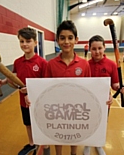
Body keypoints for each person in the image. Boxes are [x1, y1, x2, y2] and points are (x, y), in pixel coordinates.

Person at [0, 27, 50, 155]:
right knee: (28, 124)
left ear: (35, 42)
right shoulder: (18, 62)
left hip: (39, 102)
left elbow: (46, 84)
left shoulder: (42, 63)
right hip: (23, 102)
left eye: (28, 41)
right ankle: (31, 144)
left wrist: (31, 89)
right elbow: (13, 76)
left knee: (41, 124)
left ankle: (45, 146)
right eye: (21, 41)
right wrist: (3, 81)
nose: (24, 44)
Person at [45, 20, 91, 155]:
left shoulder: (84, 64)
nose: (66, 42)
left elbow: (89, 88)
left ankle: (73, 153)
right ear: (58, 40)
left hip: (76, 108)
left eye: (70, 38)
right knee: (58, 134)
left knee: (74, 133)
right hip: (57, 108)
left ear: (76, 40)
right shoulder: (51, 64)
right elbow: (46, 88)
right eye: (62, 38)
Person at [84, 35, 124, 155]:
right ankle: (88, 143)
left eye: (99, 48)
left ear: (104, 48)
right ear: (90, 49)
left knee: (101, 124)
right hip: (88, 101)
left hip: (104, 102)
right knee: (88, 123)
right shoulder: (86, 64)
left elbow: (114, 84)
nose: (97, 52)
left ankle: (98, 144)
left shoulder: (111, 65)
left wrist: (119, 88)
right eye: (94, 49)